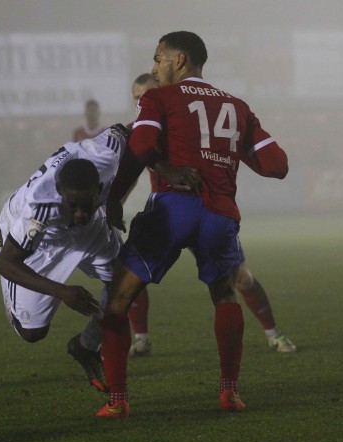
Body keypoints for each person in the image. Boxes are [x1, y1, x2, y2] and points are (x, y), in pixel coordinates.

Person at [97, 32, 289, 418]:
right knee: (224, 295)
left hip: (173, 208)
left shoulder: (158, 98)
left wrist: (114, 198)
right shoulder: (237, 107)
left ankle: (117, 400)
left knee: (117, 301)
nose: (154, 69)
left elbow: (140, 146)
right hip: (219, 215)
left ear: (179, 60)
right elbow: (276, 166)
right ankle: (230, 393)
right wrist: (229, 151)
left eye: (158, 59)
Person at [126, 73, 296, 356]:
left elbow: (231, 148)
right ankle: (141, 338)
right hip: (169, 214)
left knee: (242, 279)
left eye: (146, 96)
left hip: (208, 211)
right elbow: (133, 167)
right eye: (136, 98)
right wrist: (117, 201)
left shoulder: (186, 123)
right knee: (129, 279)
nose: (141, 102)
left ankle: (273, 333)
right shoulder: (142, 129)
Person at [0, 124, 131, 392]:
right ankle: (0, 239)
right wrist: (62, 291)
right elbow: (8, 264)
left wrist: (115, 197)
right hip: (45, 241)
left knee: (126, 283)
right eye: (73, 205)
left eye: (86, 204)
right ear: (58, 191)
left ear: (98, 188)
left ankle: (86, 346)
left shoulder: (105, 157)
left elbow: (127, 130)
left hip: (93, 232)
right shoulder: (39, 207)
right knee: (32, 332)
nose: (80, 212)